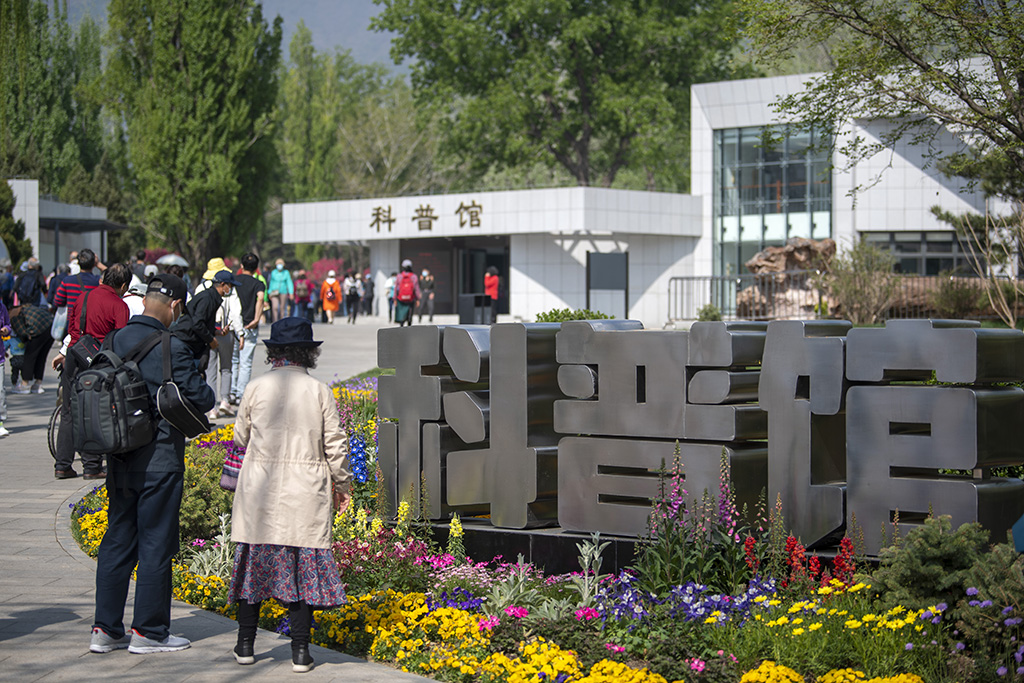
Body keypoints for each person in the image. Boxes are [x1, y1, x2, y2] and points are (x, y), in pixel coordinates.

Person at [90, 273, 215, 656]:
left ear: (146, 300)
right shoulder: (171, 346)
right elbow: (202, 398)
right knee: (157, 543)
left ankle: (105, 630)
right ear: (176, 305)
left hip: (118, 455)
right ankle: (149, 632)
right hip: (159, 459)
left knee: (116, 540)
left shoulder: (115, 338)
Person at [229, 317, 351, 672]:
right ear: (309, 353)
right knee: (302, 573)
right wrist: (341, 485)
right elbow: (336, 446)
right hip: (305, 492)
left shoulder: (255, 387)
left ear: (274, 352)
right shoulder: (319, 391)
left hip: (259, 491)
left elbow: (240, 437)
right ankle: (300, 652)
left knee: (251, 570)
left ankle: (245, 645)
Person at [51, 263, 132, 480]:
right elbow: (121, 339)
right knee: (94, 410)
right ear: (123, 285)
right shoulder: (119, 305)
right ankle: (92, 465)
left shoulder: (83, 297)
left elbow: (71, 327)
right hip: (97, 361)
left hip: (73, 354)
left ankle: (62, 464)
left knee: (68, 410)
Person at [193, 261, 243, 420]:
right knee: (227, 367)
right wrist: (240, 332)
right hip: (224, 332)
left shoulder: (200, 289)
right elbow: (236, 312)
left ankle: (212, 406)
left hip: (210, 332)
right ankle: (225, 400)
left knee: (210, 370)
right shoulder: (229, 291)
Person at [171, 268, 239, 373]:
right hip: (186, 341)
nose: (231, 289)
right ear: (222, 284)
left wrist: (217, 332)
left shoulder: (212, 297)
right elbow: (197, 324)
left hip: (192, 342)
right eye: (230, 286)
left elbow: (204, 323)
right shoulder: (207, 298)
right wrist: (211, 340)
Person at [230, 253, 266, 405]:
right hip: (249, 325)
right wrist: (256, 319)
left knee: (233, 360)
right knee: (246, 362)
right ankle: (240, 394)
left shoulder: (233, 281)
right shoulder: (258, 284)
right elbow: (260, 299)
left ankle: (231, 392)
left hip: (233, 325)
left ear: (241, 266)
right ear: (256, 268)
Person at [392, 260, 420, 327]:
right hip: (411, 298)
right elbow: (416, 289)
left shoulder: (399, 276)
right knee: (410, 313)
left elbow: (396, 288)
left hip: (400, 298)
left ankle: (401, 325)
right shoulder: (414, 276)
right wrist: (418, 298)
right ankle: (409, 325)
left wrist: (394, 298)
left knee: (401, 313)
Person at [266, 258, 293, 323]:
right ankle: (275, 321)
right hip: (274, 291)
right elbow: (271, 282)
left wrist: (291, 292)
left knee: (282, 308)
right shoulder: (273, 272)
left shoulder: (286, 273)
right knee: (275, 307)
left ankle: (282, 321)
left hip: (283, 291)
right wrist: (269, 292)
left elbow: (289, 282)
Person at [0, 299, 10, 437]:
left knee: (0, 390)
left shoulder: (1, 307)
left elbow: (8, 324)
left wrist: (6, 329)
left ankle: (1, 422)